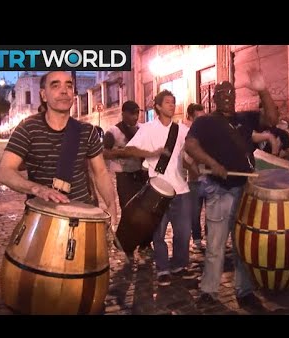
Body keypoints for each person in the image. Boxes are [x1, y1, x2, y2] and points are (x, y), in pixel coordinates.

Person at [185, 69, 279, 310]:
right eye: (222, 93)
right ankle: (209, 291)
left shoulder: (245, 119)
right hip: (220, 190)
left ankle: (244, 290)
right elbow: (191, 146)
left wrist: (262, 89)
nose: (227, 96)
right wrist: (214, 164)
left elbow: (272, 118)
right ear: (214, 98)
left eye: (230, 93)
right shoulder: (204, 121)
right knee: (216, 245)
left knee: (243, 245)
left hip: (246, 191)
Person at [0, 71, 118, 226]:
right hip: (41, 220)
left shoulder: (87, 131)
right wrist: (38, 189)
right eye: (55, 85)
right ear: (43, 95)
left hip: (83, 219)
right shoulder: (27, 128)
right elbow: (4, 171)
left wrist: (111, 205)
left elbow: (101, 173)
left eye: (69, 85)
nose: (64, 90)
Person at [117, 90, 194, 286]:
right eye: (168, 102)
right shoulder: (148, 128)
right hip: (156, 190)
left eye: (173, 102)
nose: (172, 105)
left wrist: (192, 163)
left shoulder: (182, 130)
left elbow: (189, 153)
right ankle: (162, 269)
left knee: (184, 233)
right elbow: (129, 150)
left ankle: (179, 265)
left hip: (181, 189)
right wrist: (152, 152)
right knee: (158, 233)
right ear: (158, 106)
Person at [103, 101, 150, 262]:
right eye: (132, 113)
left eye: (137, 113)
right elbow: (105, 153)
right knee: (129, 211)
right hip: (124, 176)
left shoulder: (142, 129)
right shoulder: (113, 132)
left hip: (141, 174)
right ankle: (126, 244)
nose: (135, 117)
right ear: (123, 113)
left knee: (145, 211)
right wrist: (125, 153)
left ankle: (145, 244)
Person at [183, 103, 207, 254]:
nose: (201, 121)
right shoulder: (186, 133)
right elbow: (184, 159)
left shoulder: (208, 132)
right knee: (195, 212)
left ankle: (211, 238)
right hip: (194, 180)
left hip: (210, 179)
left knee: (211, 212)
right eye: (197, 118)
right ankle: (197, 240)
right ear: (190, 117)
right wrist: (193, 168)